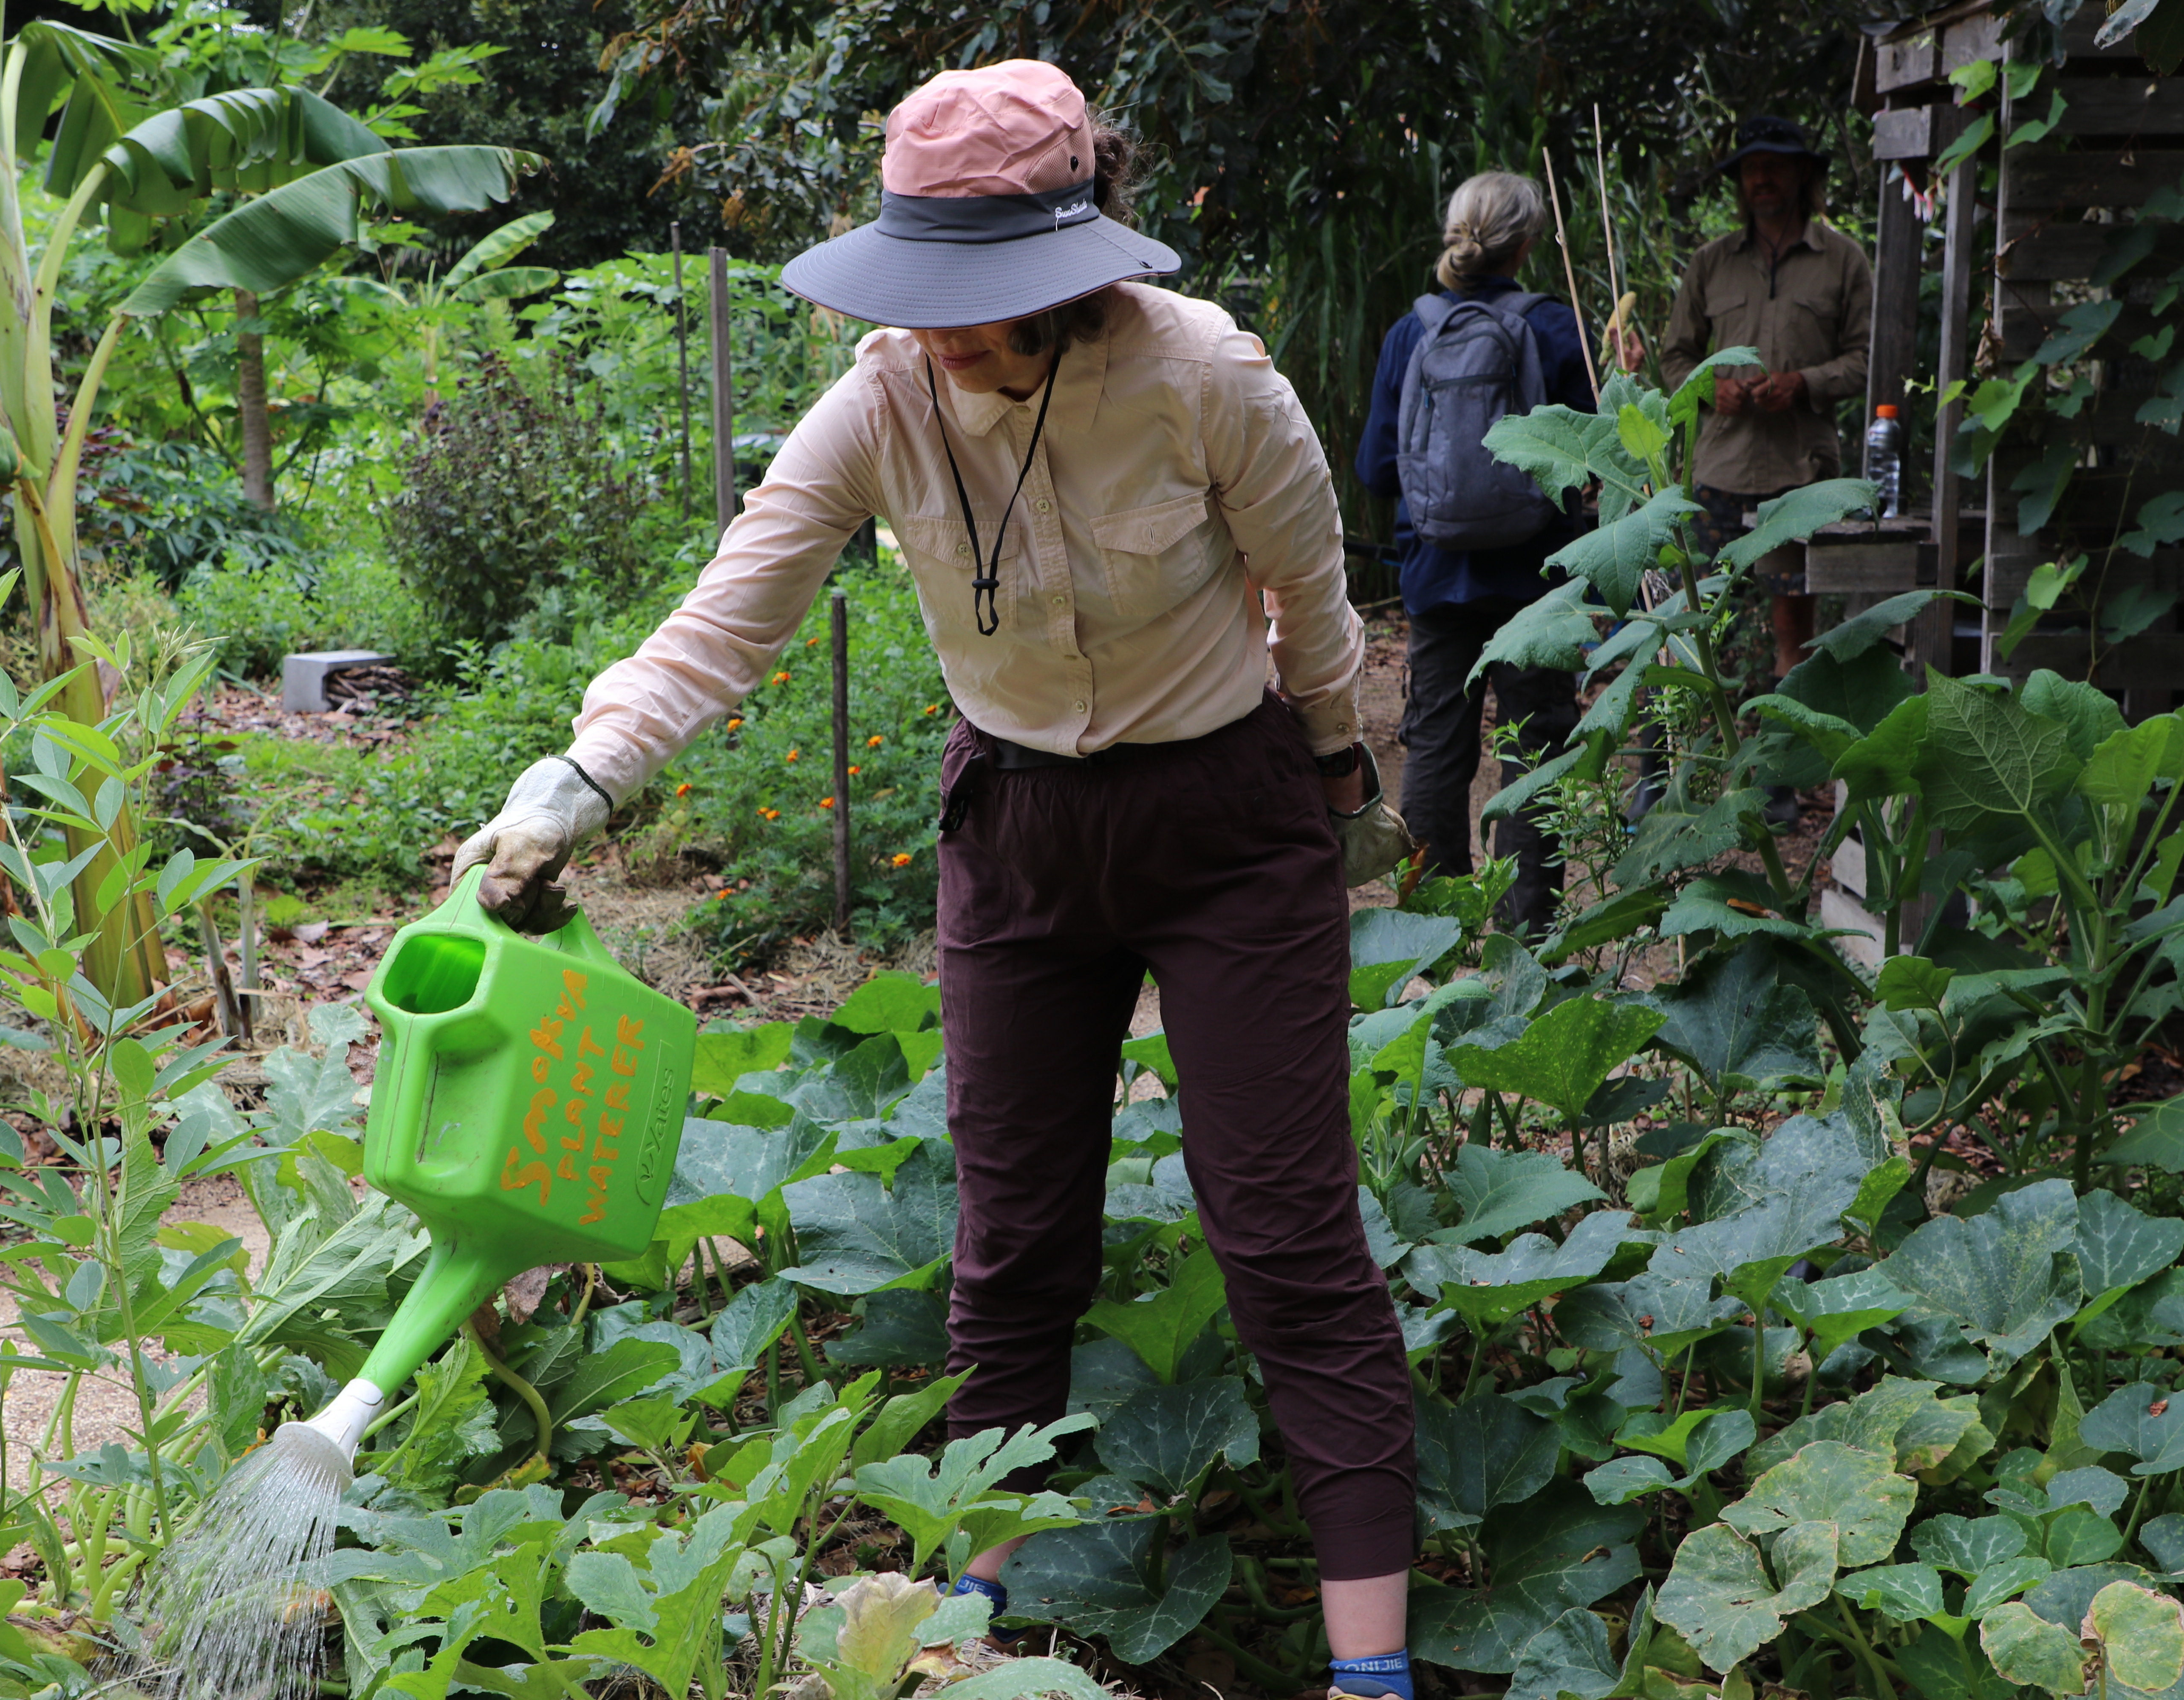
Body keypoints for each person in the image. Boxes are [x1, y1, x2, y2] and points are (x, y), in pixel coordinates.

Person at [448, 59, 1422, 1700]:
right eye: (927, 295)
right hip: (1021, 830)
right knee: (1010, 1235)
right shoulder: (882, 398)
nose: (947, 332)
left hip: (1226, 822)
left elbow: (1311, 608)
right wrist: (577, 783)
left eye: (988, 300)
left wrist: (1344, 782)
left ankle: (1371, 1671)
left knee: (1284, 1234)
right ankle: (977, 1639)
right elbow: (726, 619)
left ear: (1080, 271)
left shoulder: (1208, 381)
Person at [1356, 172, 1591, 937]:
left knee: (1433, 753)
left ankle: (1433, 933)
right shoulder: (1557, 330)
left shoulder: (1411, 333)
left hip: (1437, 580)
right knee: (1538, 756)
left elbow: (1376, 471)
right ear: (1526, 245)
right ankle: (1531, 943)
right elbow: (1591, 460)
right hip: (1539, 586)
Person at [1633, 115, 1869, 827]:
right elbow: (1675, 356)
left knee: (1791, 630)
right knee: (1685, 621)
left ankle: (1777, 784)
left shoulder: (1843, 260)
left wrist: (1803, 383)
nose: (1760, 178)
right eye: (1749, 168)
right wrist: (1711, 389)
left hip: (1801, 476)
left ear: (1803, 174)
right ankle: (1661, 776)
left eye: (1775, 165)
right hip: (1718, 470)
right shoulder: (1711, 262)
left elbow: (1864, 358)